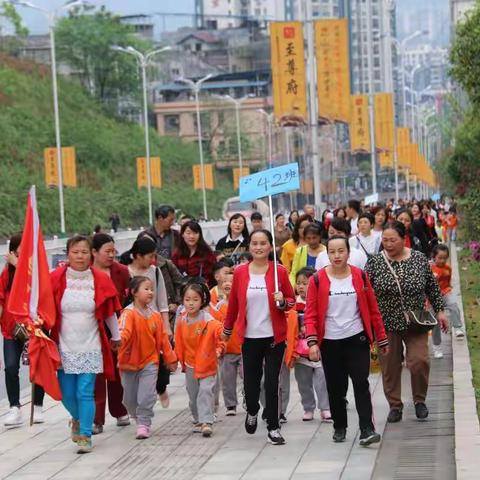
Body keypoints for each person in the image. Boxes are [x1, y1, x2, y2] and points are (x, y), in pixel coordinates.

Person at [305, 236, 389, 445]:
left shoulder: (360, 276)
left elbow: (373, 309)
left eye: (341, 251)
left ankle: (367, 429)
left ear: (348, 252)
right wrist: (313, 342)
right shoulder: (318, 279)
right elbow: (311, 313)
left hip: (356, 338)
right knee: (336, 387)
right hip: (330, 341)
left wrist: (382, 338)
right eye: (332, 252)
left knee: (361, 383)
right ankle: (340, 425)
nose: (337, 256)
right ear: (327, 255)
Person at [365, 222, 448, 423]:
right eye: (385, 240)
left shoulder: (419, 259)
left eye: (393, 240)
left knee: (419, 361)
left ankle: (420, 401)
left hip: (416, 321)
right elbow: (365, 292)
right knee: (390, 367)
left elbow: (432, 288)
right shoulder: (375, 262)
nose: (389, 244)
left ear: (404, 239)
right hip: (386, 322)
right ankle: (395, 405)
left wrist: (440, 311)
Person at [50, 235, 121, 454]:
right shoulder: (55, 279)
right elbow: (43, 309)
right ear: (67, 254)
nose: (80, 256)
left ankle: (86, 435)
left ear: (91, 253)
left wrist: (116, 336)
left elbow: (109, 312)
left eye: (84, 252)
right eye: (75, 252)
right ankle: (79, 420)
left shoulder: (99, 279)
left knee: (85, 392)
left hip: (90, 344)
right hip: (63, 346)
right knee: (66, 393)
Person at [224, 229, 295, 446]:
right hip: (250, 337)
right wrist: (227, 329)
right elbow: (234, 304)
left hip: (274, 336)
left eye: (263, 243)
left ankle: (273, 427)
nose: (259, 247)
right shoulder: (240, 272)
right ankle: (252, 410)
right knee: (251, 384)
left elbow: (291, 302)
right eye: (254, 243)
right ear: (249, 246)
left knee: (272, 383)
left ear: (271, 246)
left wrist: (282, 301)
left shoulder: (279, 272)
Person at [118, 276, 177, 439]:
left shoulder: (155, 316)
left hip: (150, 362)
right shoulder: (128, 314)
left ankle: (144, 423)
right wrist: (119, 340)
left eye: (152, 289)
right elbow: (123, 331)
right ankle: (136, 415)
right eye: (146, 289)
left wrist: (171, 358)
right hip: (128, 363)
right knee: (129, 400)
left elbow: (163, 339)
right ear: (134, 293)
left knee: (147, 395)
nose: (150, 292)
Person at [1, 233, 45, 427]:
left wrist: (19, 265)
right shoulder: (6, 274)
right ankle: (14, 407)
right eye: (21, 246)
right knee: (11, 367)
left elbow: (34, 285)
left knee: (37, 367)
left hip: (32, 328)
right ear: (14, 248)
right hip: (11, 329)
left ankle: (38, 406)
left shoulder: (36, 270)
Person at [91, 233, 130, 435]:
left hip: (117, 325)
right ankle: (96, 419)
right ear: (94, 252)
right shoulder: (86, 272)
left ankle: (120, 410)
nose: (112, 255)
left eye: (114, 251)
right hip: (93, 328)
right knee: (97, 374)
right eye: (107, 251)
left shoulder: (122, 272)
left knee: (116, 370)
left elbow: (130, 299)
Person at [175, 280, 224, 438]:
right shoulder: (182, 320)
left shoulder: (209, 320)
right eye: (187, 299)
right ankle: (197, 418)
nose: (191, 303)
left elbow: (220, 335)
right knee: (193, 393)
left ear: (203, 300)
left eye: (195, 299)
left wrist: (219, 349)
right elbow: (179, 342)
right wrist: (179, 361)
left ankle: (207, 421)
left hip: (207, 363)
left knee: (205, 391)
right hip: (190, 364)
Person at [293, 267, 331, 422]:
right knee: (303, 382)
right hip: (300, 351)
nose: (301, 286)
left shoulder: (321, 301)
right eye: (299, 283)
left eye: (305, 283)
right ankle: (308, 408)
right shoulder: (293, 304)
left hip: (319, 348)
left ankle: (325, 408)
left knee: (322, 381)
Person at [209, 272, 243, 416]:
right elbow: (216, 328)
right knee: (227, 380)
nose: (228, 284)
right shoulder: (219, 307)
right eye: (225, 281)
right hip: (227, 350)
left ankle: (248, 397)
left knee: (248, 377)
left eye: (232, 281)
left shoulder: (244, 304)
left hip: (244, 348)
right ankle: (231, 405)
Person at [430, 244, 464, 355]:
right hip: (432, 298)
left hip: (445, 293)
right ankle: (437, 347)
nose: (442, 260)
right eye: (440, 258)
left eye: (445, 258)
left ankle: (457, 327)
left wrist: (448, 290)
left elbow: (448, 282)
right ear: (434, 257)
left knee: (453, 304)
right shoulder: (429, 268)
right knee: (434, 322)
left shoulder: (448, 268)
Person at [172, 220, 217, 287]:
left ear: (200, 235)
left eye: (195, 233)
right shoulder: (176, 254)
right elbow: (173, 276)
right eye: (188, 233)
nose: (192, 236)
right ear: (182, 235)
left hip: (203, 290)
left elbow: (213, 275)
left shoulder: (207, 253)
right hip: (183, 292)